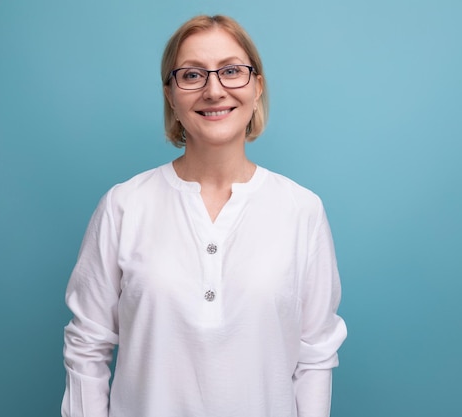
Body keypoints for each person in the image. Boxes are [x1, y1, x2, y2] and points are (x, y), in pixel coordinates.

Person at [61, 14, 347, 417]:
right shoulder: (124, 206)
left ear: (257, 86)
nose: (215, 90)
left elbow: (316, 354)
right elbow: (86, 347)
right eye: (192, 76)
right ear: (171, 96)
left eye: (232, 71)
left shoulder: (301, 211)